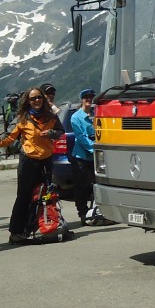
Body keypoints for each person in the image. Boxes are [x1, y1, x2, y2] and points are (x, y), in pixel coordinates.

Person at [0, 85, 62, 244]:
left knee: (45, 195)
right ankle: (16, 232)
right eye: (33, 98)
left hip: (46, 160)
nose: (37, 100)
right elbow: (10, 137)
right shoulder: (22, 118)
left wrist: (51, 133)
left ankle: (39, 228)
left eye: (39, 97)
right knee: (24, 196)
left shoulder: (51, 116)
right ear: (27, 101)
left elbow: (60, 131)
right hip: (29, 161)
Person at [69, 88, 96, 222]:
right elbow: (81, 137)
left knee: (95, 185)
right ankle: (83, 213)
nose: (89, 100)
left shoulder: (95, 115)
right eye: (86, 98)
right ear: (82, 100)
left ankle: (95, 211)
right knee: (81, 186)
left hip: (94, 157)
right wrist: (95, 148)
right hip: (81, 157)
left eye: (91, 97)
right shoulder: (76, 117)